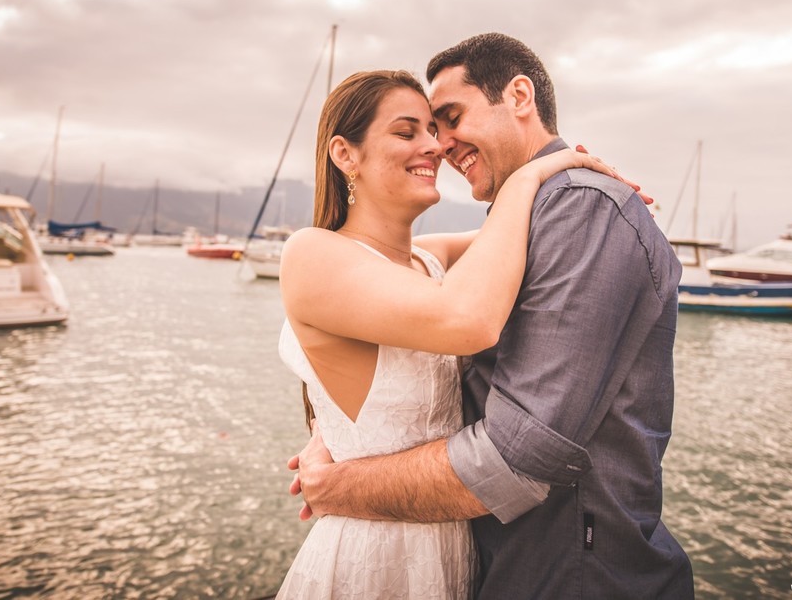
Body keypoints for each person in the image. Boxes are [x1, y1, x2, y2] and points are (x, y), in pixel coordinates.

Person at [290, 34, 694, 599]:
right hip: (481, 565)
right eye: (418, 130)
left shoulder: (579, 210)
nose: (439, 145)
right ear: (344, 154)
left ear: (520, 95)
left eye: (446, 120)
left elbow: (520, 454)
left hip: (575, 579)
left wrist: (341, 485)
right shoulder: (523, 217)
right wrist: (331, 432)